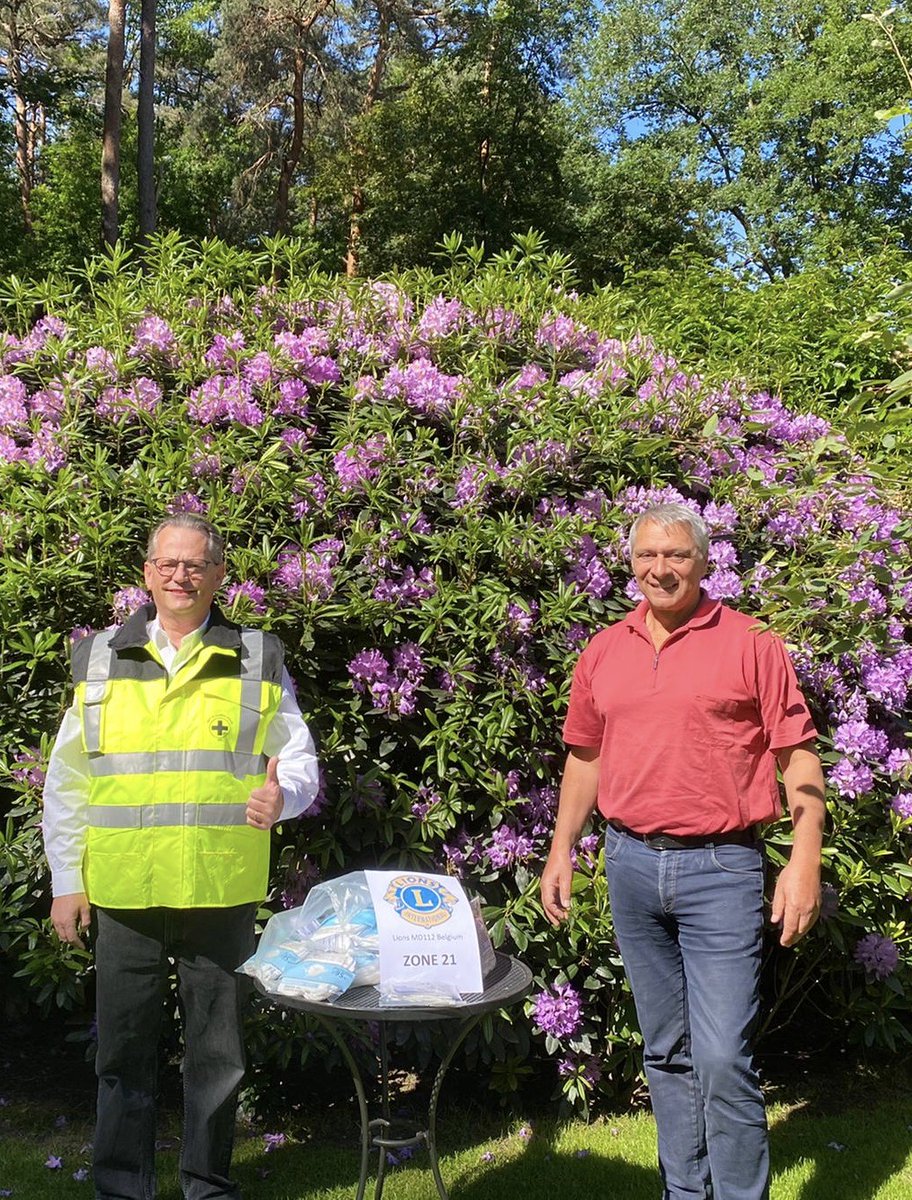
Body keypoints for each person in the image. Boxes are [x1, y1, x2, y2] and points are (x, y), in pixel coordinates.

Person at [541, 502, 825, 1200]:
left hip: (722, 869)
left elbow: (798, 754)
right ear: (631, 564)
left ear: (703, 562)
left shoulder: (751, 642)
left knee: (723, 1057)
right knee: (666, 1054)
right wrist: (561, 848)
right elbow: (585, 756)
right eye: (646, 556)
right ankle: (685, 1192)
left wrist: (804, 858)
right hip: (632, 864)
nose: (659, 569)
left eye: (675, 555)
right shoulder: (605, 649)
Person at [43, 513, 320, 1200]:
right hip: (124, 889)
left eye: (195, 565)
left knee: (218, 1057)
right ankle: (121, 1187)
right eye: (167, 563)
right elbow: (67, 781)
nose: (180, 575)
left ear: (219, 575)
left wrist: (282, 798)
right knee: (123, 1056)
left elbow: (300, 760)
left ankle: (207, 1186)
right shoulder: (100, 657)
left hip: (218, 886)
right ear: (147, 572)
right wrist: (66, 882)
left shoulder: (256, 657)